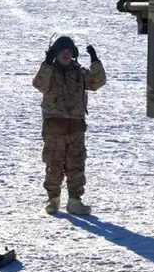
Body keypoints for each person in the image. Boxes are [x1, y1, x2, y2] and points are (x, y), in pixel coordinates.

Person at [33, 35, 106, 215]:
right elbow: (39, 85)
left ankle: (74, 201)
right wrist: (46, 64)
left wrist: (95, 61)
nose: (66, 54)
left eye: (69, 51)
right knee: (54, 164)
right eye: (62, 51)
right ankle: (53, 199)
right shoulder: (49, 72)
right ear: (55, 53)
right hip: (54, 129)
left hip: (76, 128)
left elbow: (97, 83)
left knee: (76, 165)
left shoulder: (79, 72)